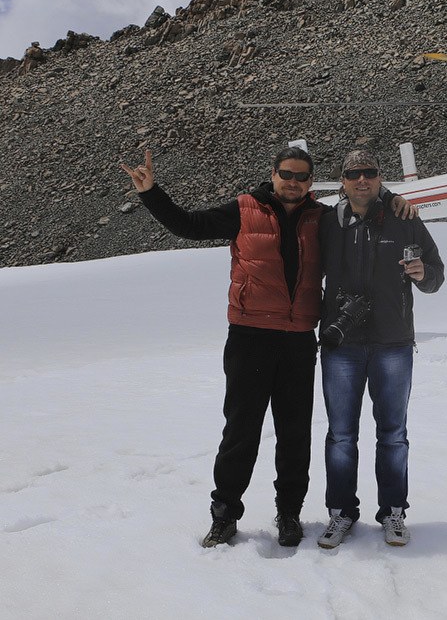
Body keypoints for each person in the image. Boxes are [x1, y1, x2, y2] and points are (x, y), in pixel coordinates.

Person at [120, 147, 414, 548]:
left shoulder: (322, 217)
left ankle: (289, 513)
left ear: (311, 183)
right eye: (286, 174)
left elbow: (363, 204)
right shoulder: (244, 209)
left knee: (295, 433)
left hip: (298, 340)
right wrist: (151, 192)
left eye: (302, 177)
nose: (293, 182)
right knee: (241, 430)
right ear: (272, 174)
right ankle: (224, 514)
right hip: (250, 337)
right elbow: (187, 225)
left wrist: (392, 198)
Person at [317, 150, 444, 548]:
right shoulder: (328, 223)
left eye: (369, 174)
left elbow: (436, 275)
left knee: (393, 434)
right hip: (342, 345)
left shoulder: (405, 219)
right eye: (353, 174)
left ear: (379, 178)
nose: (361, 180)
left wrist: (425, 274)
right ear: (341, 181)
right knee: (341, 434)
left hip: (393, 343)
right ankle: (341, 513)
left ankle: (393, 512)